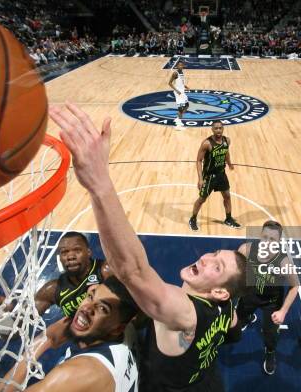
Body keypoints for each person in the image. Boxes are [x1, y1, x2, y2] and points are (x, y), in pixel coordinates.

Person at [49, 103, 247, 391]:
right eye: (214, 254)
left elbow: (132, 271)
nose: (205, 258)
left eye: (216, 266)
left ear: (218, 291)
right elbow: (233, 324)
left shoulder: (185, 313)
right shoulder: (227, 306)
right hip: (203, 379)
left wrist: (98, 183)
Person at [0, 277, 139, 392]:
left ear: (117, 329)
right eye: (91, 296)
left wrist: (44, 340)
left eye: (102, 308)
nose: (86, 308)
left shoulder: (73, 375)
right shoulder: (128, 331)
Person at [236, 220, 299, 375]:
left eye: (273, 239)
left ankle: (270, 352)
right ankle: (248, 317)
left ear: (279, 242)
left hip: (271, 302)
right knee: (239, 318)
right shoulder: (245, 250)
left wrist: (283, 311)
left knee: (270, 335)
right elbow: (237, 272)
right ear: (260, 236)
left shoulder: (284, 263)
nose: (267, 242)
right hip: (250, 295)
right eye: (265, 237)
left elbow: (295, 287)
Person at [34, 232, 110, 317]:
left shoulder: (106, 271)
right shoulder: (52, 290)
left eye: (77, 250)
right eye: (64, 252)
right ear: (59, 258)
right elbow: (26, 317)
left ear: (88, 252)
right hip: (79, 328)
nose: (70, 256)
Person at [189, 120, 241, 231]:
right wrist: (200, 179)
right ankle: (193, 219)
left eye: (220, 128)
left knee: (227, 196)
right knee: (202, 200)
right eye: (216, 128)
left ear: (223, 129)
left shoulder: (227, 140)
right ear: (212, 129)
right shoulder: (207, 143)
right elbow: (198, 160)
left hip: (221, 174)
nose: (218, 130)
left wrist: (230, 164)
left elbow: (226, 152)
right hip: (209, 177)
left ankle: (228, 218)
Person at [168, 60, 189, 131]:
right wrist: (177, 91)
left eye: (182, 65)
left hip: (182, 92)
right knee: (180, 108)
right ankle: (178, 126)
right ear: (177, 66)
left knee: (187, 105)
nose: (181, 66)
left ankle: (177, 119)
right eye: (179, 65)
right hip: (178, 93)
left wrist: (185, 86)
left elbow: (181, 82)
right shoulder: (175, 73)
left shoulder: (182, 72)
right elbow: (170, 83)